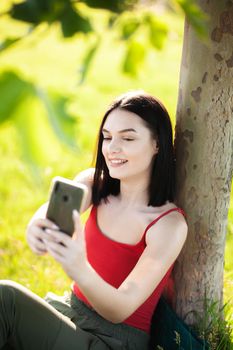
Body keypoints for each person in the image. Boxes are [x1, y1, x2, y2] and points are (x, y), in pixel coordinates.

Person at [0, 91, 188, 350]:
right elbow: (60, 207)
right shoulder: (95, 184)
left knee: (6, 299)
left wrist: (79, 268)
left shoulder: (169, 225)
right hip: (70, 314)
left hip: (112, 341)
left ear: (157, 144)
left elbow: (120, 308)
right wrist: (38, 224)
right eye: (107, 137)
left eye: (128, 138)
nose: (112, 148)